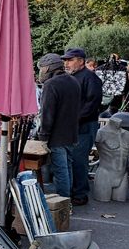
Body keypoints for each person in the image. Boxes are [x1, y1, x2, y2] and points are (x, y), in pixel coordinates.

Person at [62, 47, 103, 206]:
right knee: (72, 159)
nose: (66, 63)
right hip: (74, 125)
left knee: (79, 160)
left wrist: (74, 119)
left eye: (70, 60)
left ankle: (80, 194)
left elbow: (92, 103)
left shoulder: (90, 78)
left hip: (84, 125)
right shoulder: (72, 77)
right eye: (65, 60)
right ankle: (74, 190)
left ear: (80, 61)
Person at [36, 53, 81, 198]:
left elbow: (47, 114)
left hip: (57, 136)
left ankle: (64, 204)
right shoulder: (73, 81)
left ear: (48, 68)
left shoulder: (51, 84)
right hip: (71, 133)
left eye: (42, 69)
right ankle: (67, 202)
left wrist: (43, 137)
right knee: (67, 169)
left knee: (61, 171)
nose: (40, 72)